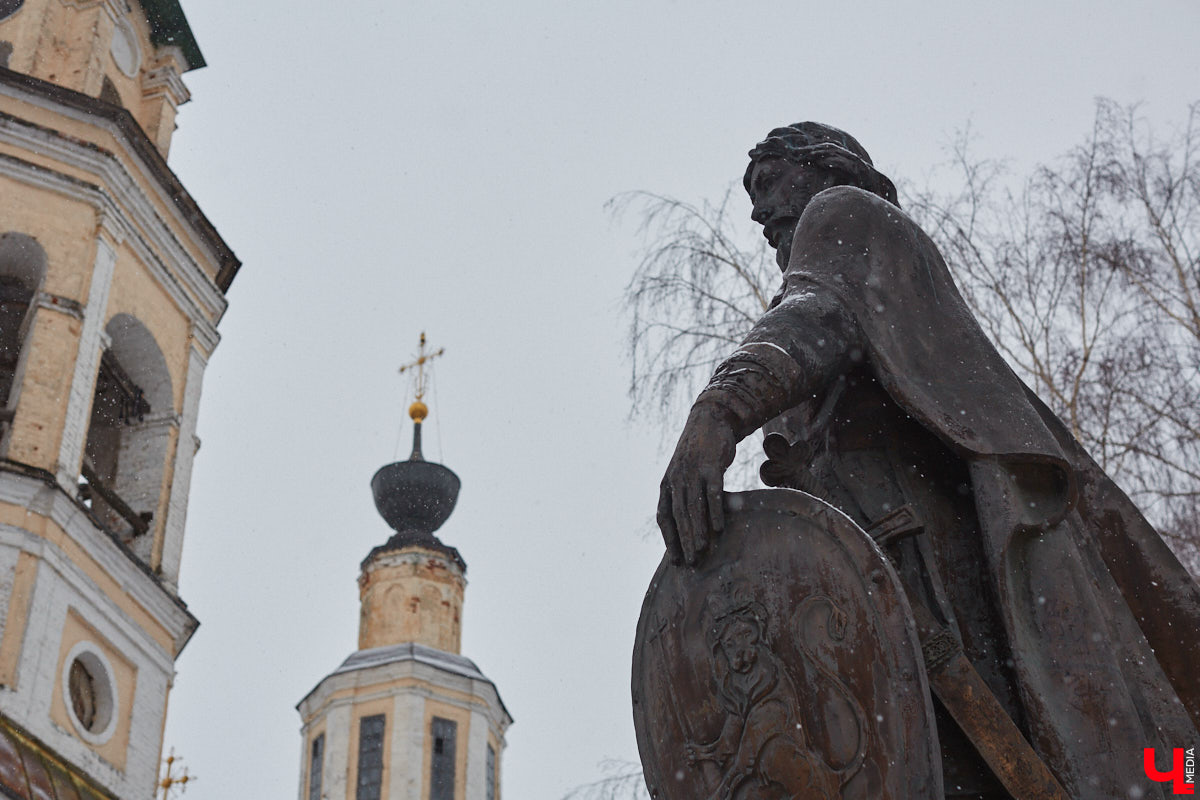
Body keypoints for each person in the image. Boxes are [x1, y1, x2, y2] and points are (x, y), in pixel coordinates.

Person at [657, 122, 1200, 799]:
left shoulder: (846, 214)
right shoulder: (858, 263)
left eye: (770, 184)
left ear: (826, 170)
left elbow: (816, 319)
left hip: (918, 565)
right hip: (900, 568)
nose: (758, 210)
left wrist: (718, 412)